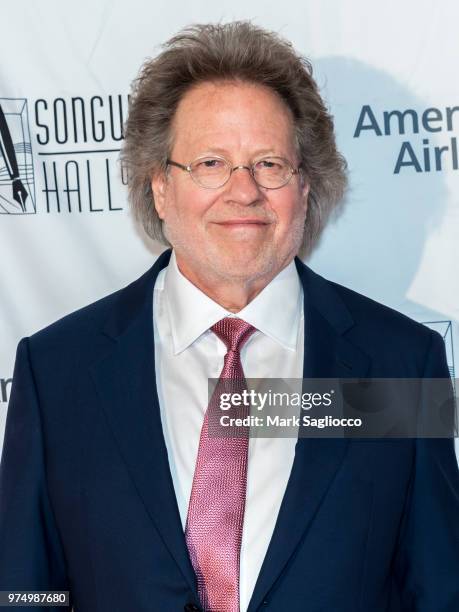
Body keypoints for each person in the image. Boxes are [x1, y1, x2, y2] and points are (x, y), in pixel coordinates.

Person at [0, 21, 458, 612]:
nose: (244, 192)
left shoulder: (402, 365)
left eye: (269, 164)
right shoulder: (58, 370)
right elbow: (24, 592)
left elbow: (439, 588)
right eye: (211, 163)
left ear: (307, 187)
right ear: (160, 186)